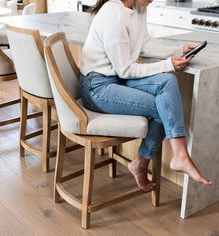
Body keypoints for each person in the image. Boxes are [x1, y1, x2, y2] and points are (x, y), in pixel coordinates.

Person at [79, 0, 212, 191]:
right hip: (97, 88)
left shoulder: (139, 8)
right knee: (163, 105)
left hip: (115, 79)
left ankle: (178, 156)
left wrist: (177, 51)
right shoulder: (112, 14)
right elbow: (125, 69)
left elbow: (144, 46)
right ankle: (145, 163)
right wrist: (168, 64)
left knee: (167, 81)